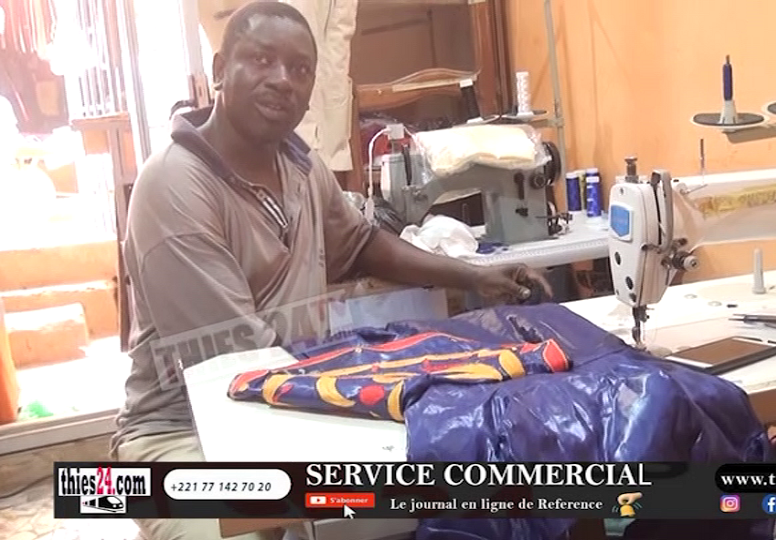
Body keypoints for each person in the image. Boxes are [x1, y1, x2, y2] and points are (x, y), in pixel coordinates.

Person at [111, 3, 550, 539]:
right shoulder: (176, 187)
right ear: (220, 69)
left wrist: (474, 276)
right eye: (262, 60)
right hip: (181, 434)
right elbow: (240, 361)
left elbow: (361, 243)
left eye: (300, 69)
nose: (282, 80)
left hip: (279, 403)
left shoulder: (301, 167)